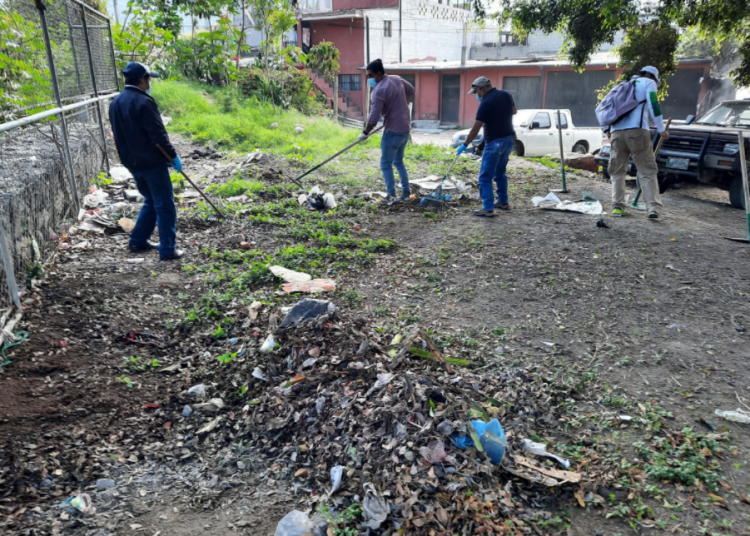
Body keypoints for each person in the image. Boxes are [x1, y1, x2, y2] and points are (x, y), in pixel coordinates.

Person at [109, 61, 184, 260]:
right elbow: (158, 136)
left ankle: (138, 240)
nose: (149, 83)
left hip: (132, 162)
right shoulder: (144, 102)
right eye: (148, 79)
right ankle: (168, 249)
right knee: (165, 205)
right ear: (142, 80)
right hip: (152, 163)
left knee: (151, 200)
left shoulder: (116, 102)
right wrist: (173, 156)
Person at [607, 65, 669, 219]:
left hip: (616, 133)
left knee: (617, 171)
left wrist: (606, 129)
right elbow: (653, 104)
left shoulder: (621, 86)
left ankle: (617, 207)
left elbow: (601, 108)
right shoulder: (648, 82)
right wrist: (661, 128)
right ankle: (652, 208)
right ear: (648, 74)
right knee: (647, 170)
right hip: (637, 132)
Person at [457, 76, 516, 218]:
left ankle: (488, 208)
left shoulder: (486, 103)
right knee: (500, 173)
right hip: (509, 139)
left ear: (482, 89)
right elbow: (514, 111)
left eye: (476, 92)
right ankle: (503, 201)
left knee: (485, 177)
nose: (476, 95)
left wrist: (465, 144)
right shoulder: (506, 94)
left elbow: (475, 129)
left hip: (494, 142)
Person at [359, 59, 415, 205]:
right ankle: (406, 192)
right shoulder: (396, 79)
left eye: (370, 76)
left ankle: (391, 195)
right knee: (398, 161)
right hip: (405, 129)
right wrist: (402, 105)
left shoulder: (378, 91)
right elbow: (411, 90)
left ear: (379, 74)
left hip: (393, 131)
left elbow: (373, 117)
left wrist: (365, 132)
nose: (368, 79)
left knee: (385, 163)